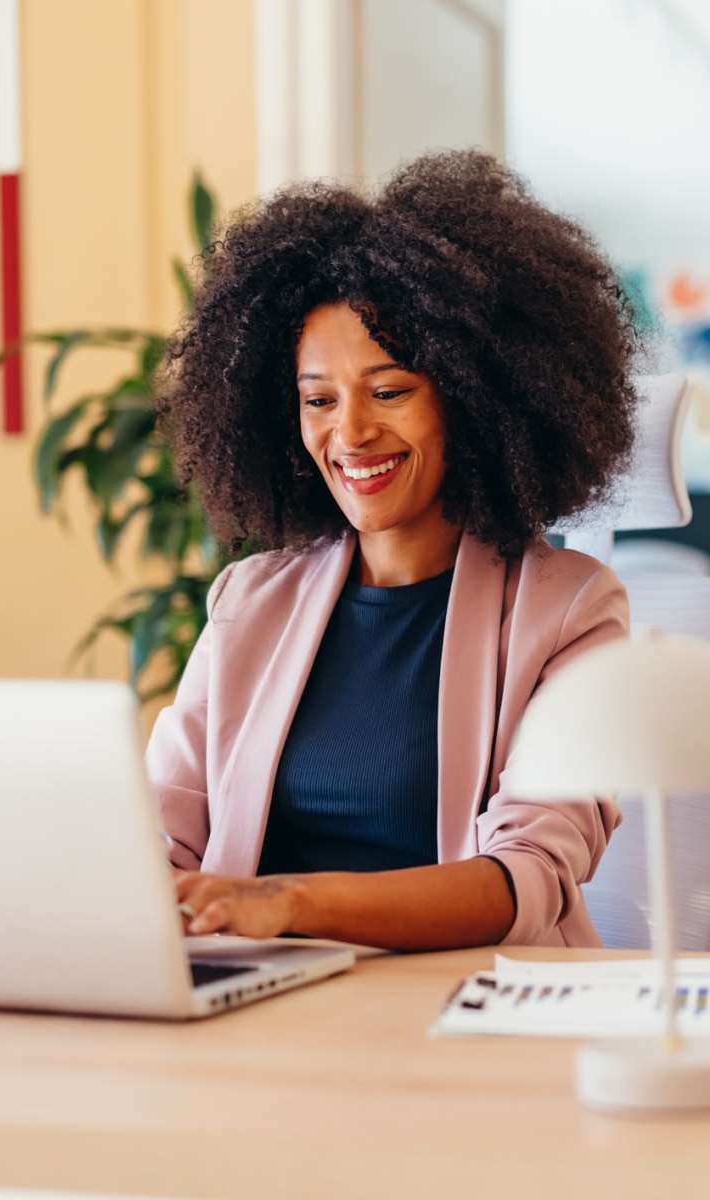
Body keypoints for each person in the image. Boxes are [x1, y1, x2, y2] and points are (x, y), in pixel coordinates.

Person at [148, 150, 638, 949]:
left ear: (473, 396)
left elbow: (532, 875)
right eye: (318, 400)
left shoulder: (569, 607)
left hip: (472, 1012)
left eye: (389, 391)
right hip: (268, 1007)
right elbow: (158, 835)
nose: (350, 434)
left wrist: (290, 904)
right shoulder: (248, 600)